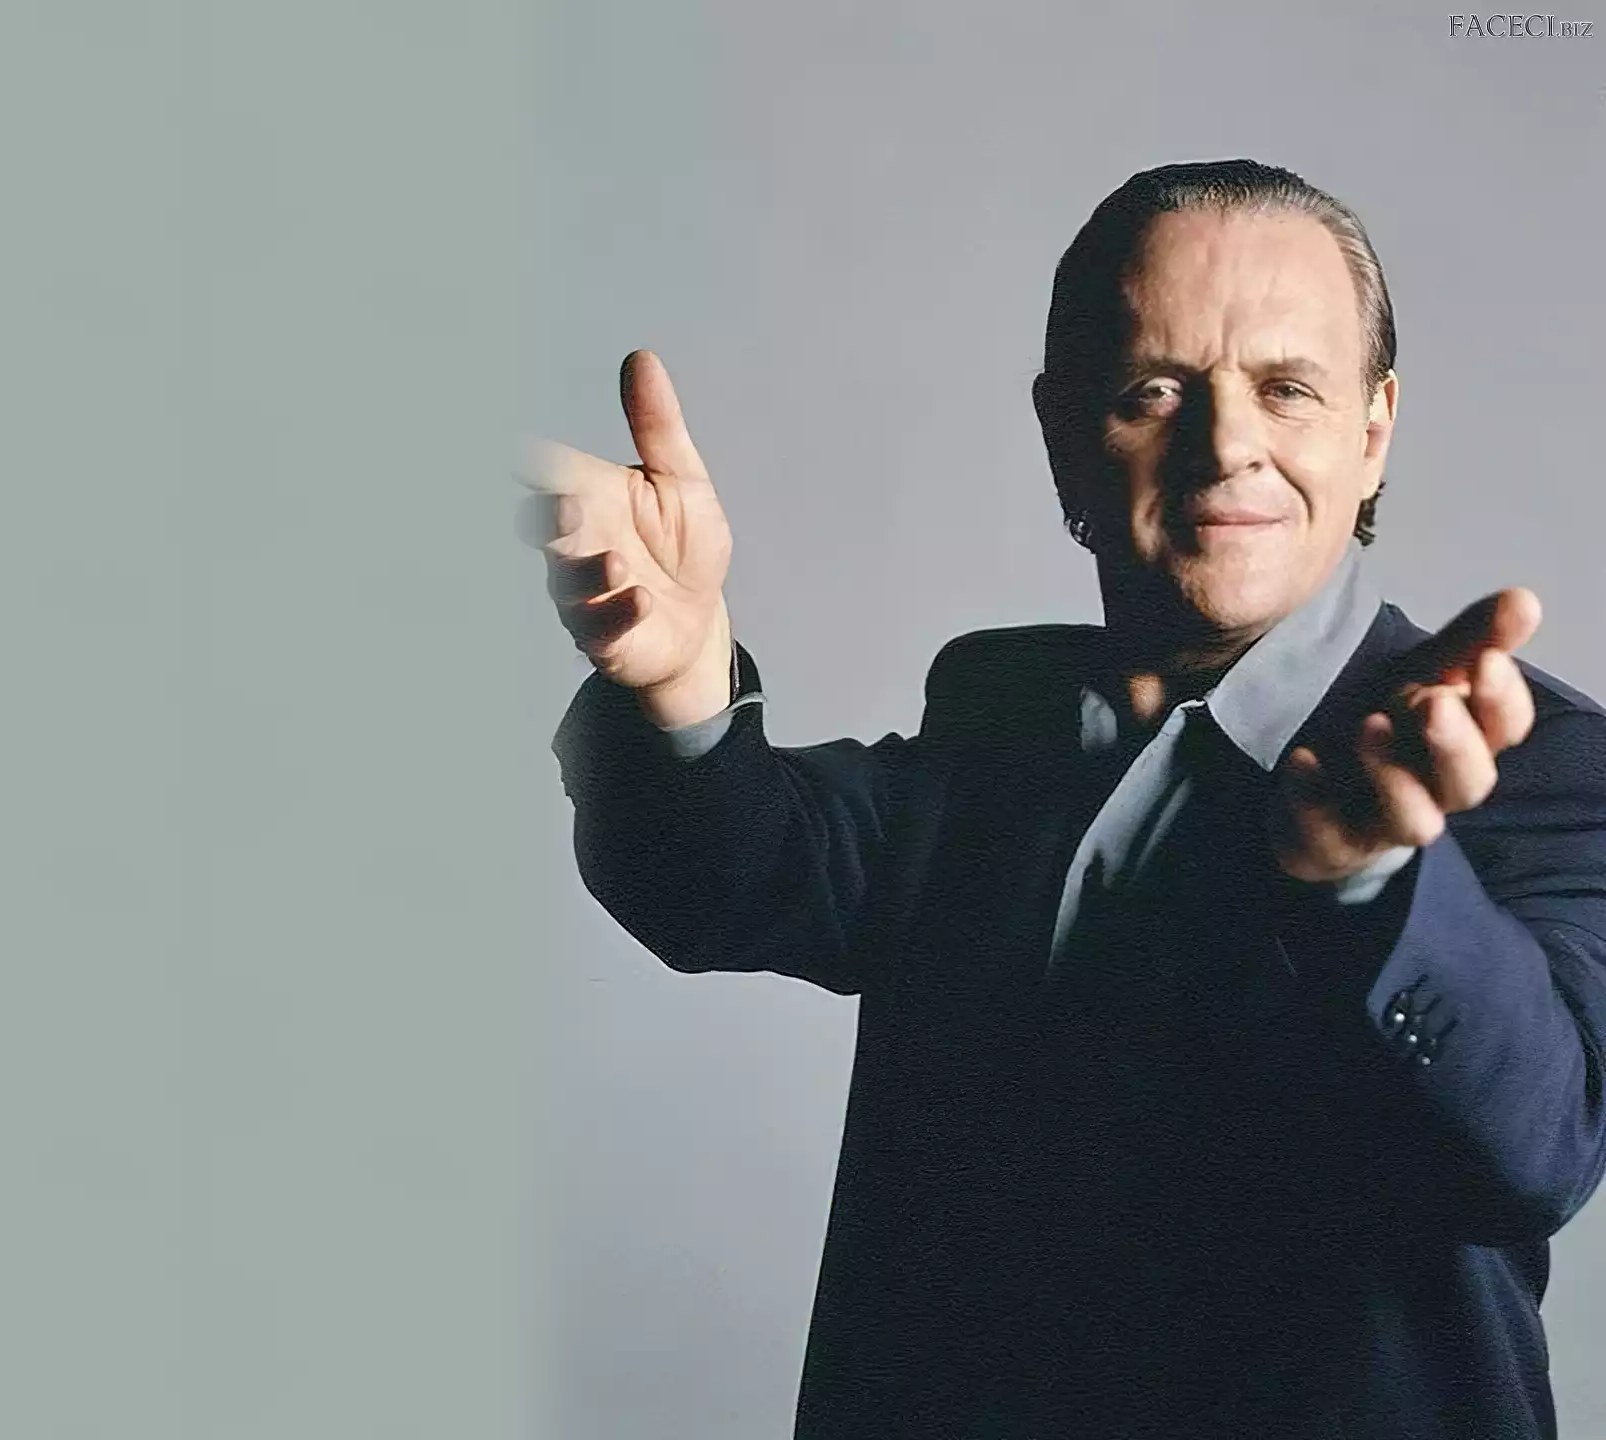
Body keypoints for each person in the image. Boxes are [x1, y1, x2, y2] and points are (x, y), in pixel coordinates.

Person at [516, 160, 1606, 1438]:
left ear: (1372, 431)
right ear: (1062, 435)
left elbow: (1532, 1151)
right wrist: (680, 682)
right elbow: (730, 880)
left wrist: (1376, 882)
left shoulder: (1543, 765)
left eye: (1287, 389)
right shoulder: (1003, 713)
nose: (1226, 445)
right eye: (1155, 391)